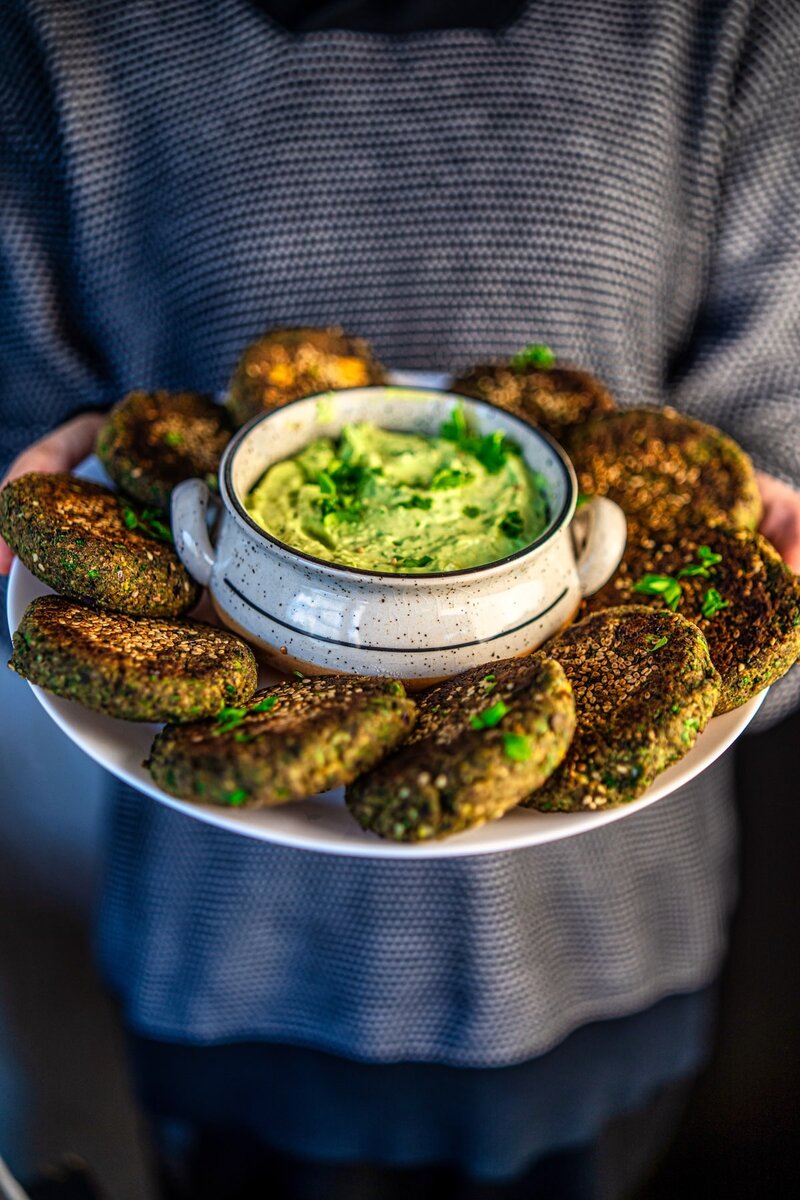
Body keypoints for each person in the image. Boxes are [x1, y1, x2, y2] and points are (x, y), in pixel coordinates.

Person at [2, 1, 800, 1195]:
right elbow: (29, 409)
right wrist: (42, 467)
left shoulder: (724, 21)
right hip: (223, 954)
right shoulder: (75, 27)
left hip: (597, 947)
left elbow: (759, 467)